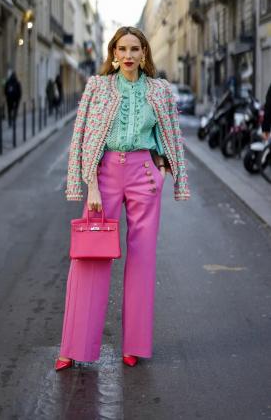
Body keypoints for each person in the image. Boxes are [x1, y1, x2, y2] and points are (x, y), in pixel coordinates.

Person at [55, 26, 190, 371]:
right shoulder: (97, 87)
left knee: (143, 260)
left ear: (144, 53)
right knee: (90, 258)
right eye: (122, 49)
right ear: (113, 54)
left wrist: (161, 171)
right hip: (105, 177)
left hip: (144, 175)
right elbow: (83, 136)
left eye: (135, 49)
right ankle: (73, 346)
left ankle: (135, 345)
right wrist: (92, 185)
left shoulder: (159, 90)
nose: (128, 55)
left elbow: (168, 135)